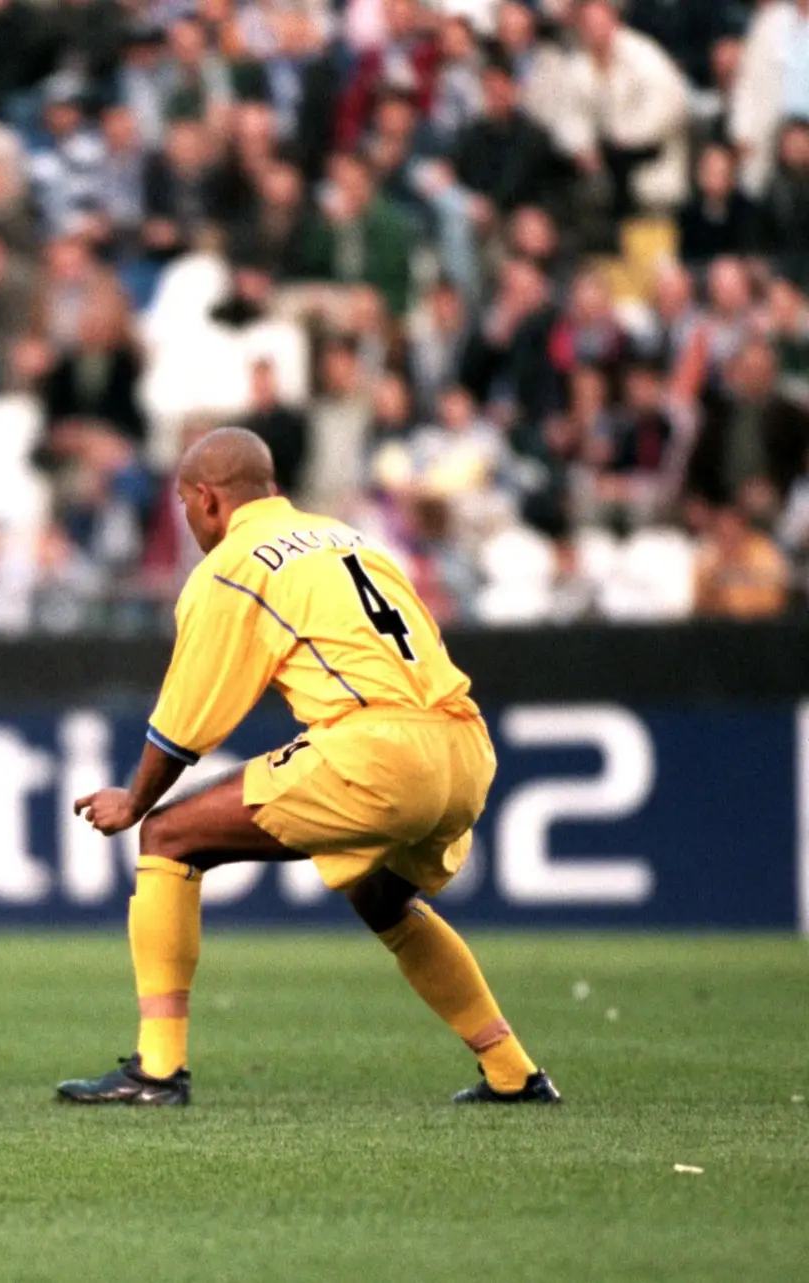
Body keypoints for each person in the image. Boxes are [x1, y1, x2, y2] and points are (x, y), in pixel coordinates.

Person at [60, 428, 558, 1108]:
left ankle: (157, 1070)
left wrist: (135, 801)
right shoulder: (350, 539)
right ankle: (513, 1071)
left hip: (377, 749)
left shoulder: (234, 563)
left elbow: (186, 718)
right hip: (464, 744)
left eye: (183, 504)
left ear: (206, 499)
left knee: (167, 837)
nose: (186, 519)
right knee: (381, 896)